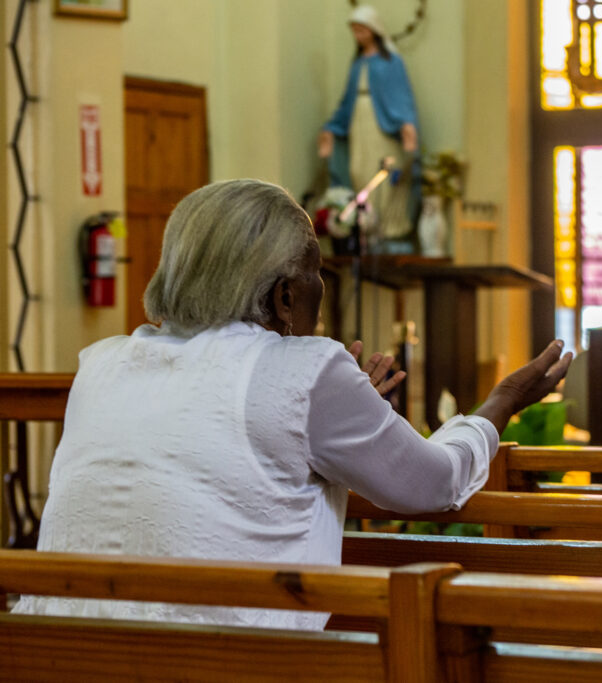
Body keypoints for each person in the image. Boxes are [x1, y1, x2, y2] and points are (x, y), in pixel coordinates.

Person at [14, 179, 571, 630]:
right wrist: (502, 401)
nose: (320, 291)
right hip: (227, 666)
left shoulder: (103, 363)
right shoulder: (306, 370)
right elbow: (433, 484)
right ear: (285, 296)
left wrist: (346, 411)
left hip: (59, 652)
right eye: (317, 274)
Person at [318, 6, 419, 246]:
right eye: (354, 30)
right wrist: (331, 128)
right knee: (358, 172)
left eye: (361, 29)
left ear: (373, 30)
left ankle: (385, 229)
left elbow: (400, 96)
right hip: (359, 124)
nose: (358, 34)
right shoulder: (357, 64)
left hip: (382, 126)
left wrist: (405, 124)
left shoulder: (390, 62)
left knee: (383, 174)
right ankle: (364, 226)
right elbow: (346, 101)